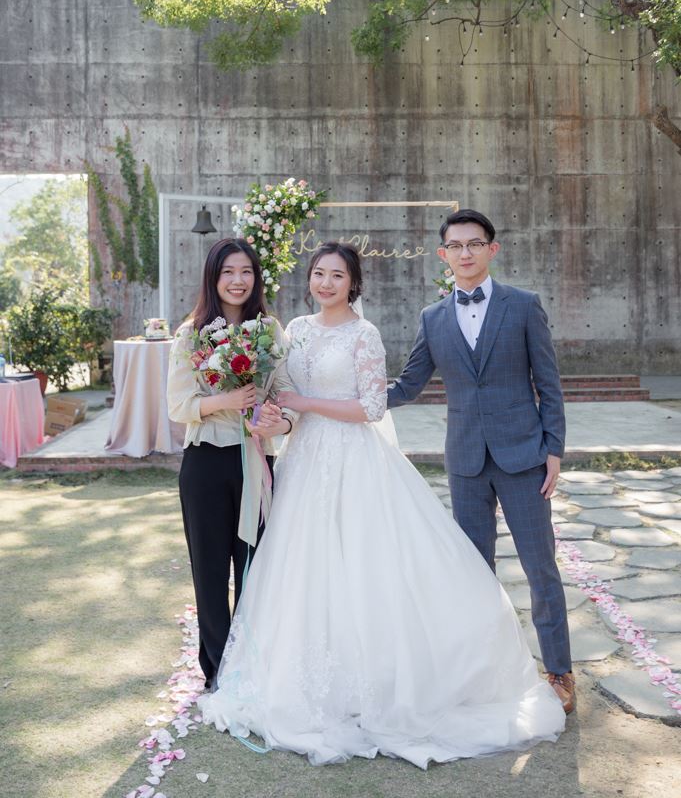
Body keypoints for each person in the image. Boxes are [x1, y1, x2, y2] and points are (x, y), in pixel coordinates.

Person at [198, 241, 565, 767]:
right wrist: (277, 418)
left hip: (355, 459)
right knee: (307, 569)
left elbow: (372, 406)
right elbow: (285, 399)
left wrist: (304, 403)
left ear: (353, 283)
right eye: (319, 273)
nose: (326, 283)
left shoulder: (364, 333)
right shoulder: (294, 330)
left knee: (365, 567)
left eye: (337, 275)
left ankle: (380, 682)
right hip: (304, 463)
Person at [387, 209, 574, 714]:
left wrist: (553, 448)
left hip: (524, 456)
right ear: (442, 255)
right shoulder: (433, 318)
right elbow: (408, 384)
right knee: (473, 572)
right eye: (455, 245)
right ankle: (485, 673)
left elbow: (549, 383)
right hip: (466, 460)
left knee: (540, 568)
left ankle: (559, 670)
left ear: (492, 249)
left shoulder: (524, 305)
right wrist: (347, 397)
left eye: (474, 244)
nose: (465, 253)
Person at [167, 238, 297, 691]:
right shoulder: (191, 334)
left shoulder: (271, 331)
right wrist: (228, 399)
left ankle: (253, 665)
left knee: (255, 568)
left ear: (256, 278)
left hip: (257, 462)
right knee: (209, 571)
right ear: (213, 277)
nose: (238, 281)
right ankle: (219, 671)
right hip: (205, 462)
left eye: (246, 272)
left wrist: (279, 422)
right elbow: (179, 405)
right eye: (228, 272)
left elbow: (287, 395)